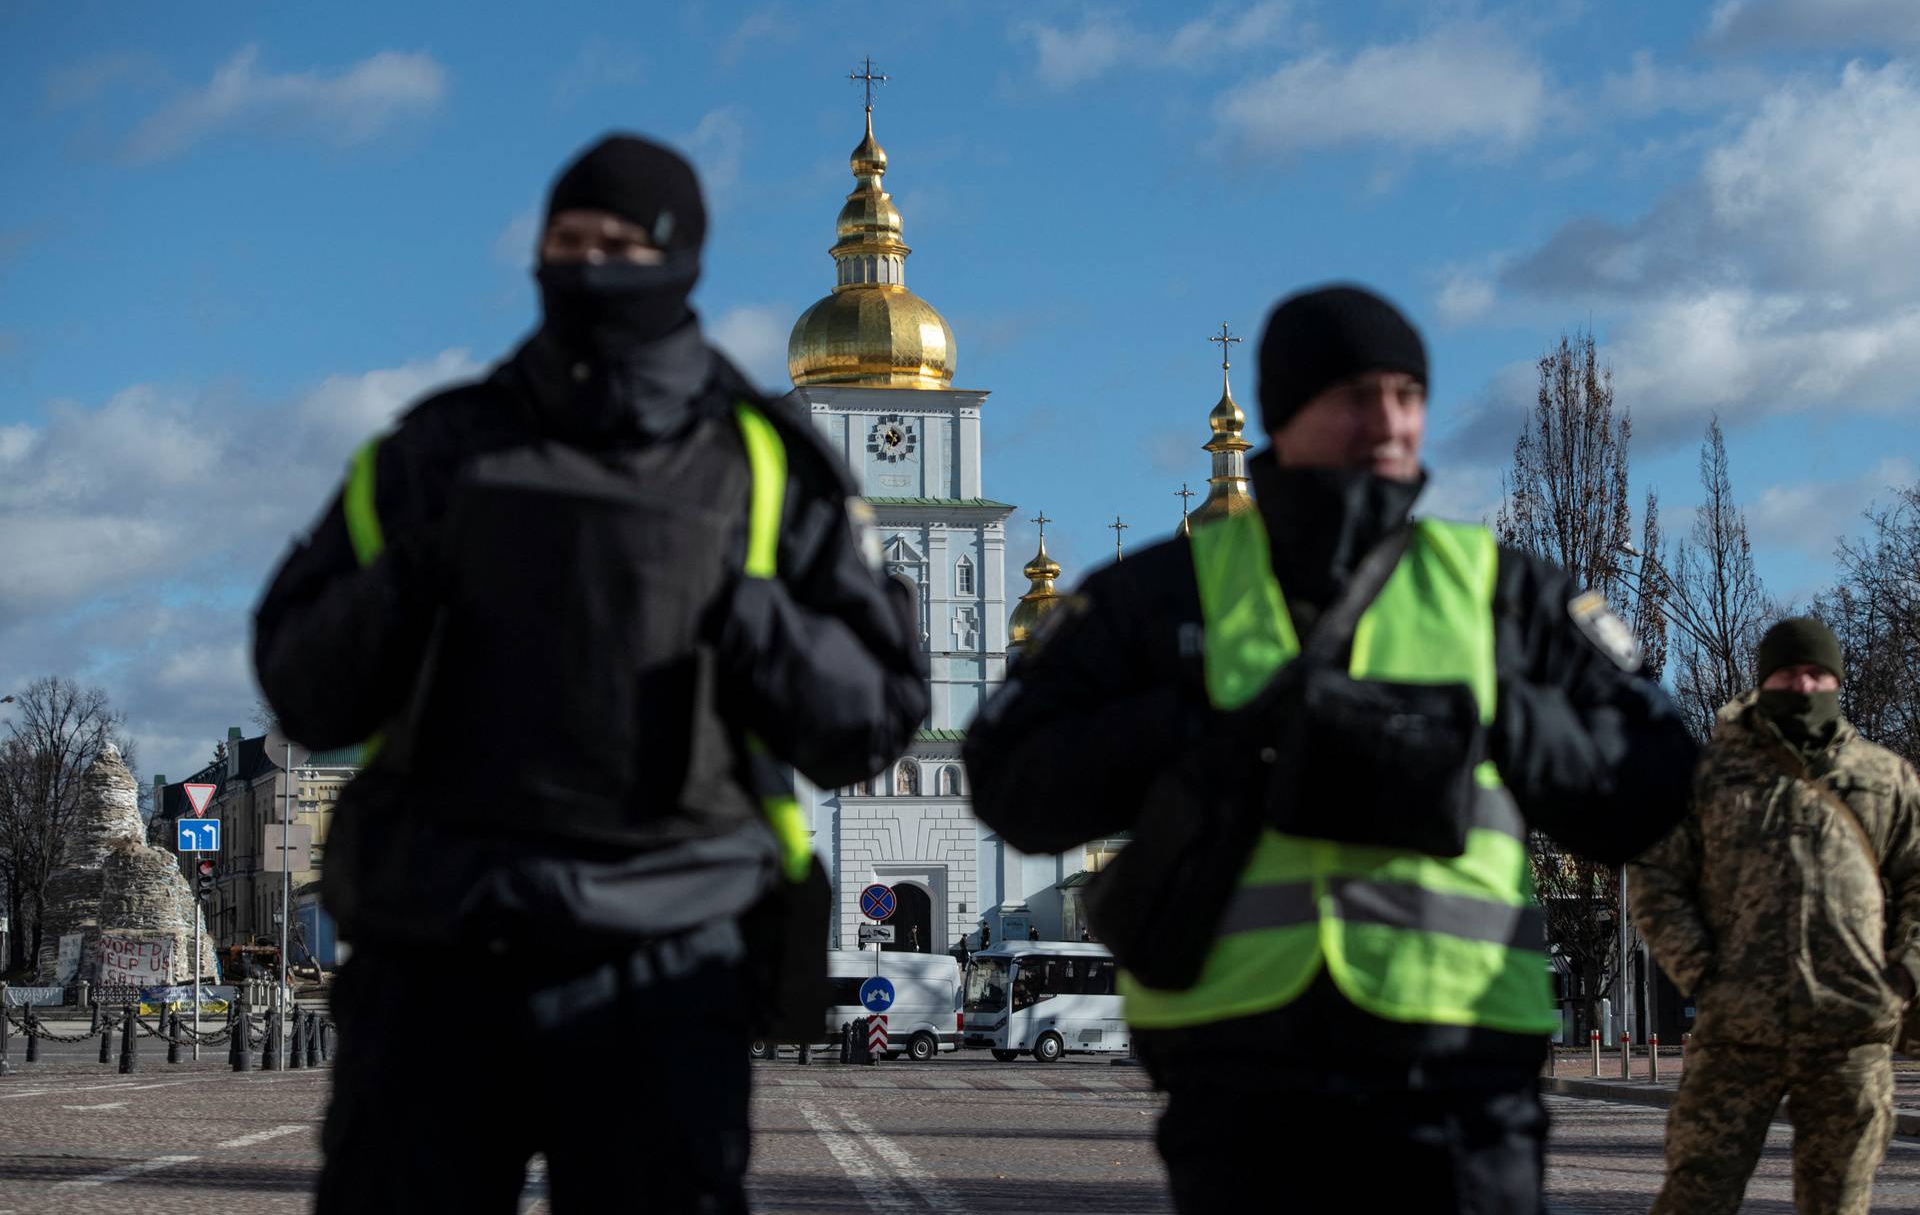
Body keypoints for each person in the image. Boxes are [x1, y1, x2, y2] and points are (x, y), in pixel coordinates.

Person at [254, 134, 926, 1213]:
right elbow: (302, 687)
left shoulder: (764, 470)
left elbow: (871, 718)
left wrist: (745, 616)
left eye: (621, 243)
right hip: (440, 951)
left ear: (683, 258)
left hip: (666, 956)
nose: (591, 266)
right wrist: (413, 580)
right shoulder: (436, 452)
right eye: (568, 242)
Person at [965, 284, 1698, 1213]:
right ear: (1284, 413)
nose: (1389, 418)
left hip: (1460, 1073)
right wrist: (1217, 729)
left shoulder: (1502, 597)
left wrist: (1483, 717)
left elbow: (1661, 780)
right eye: (1356, 393)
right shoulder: (1161, 598)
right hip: (1241, 1080)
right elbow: (1008, 778)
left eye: (1408, 393)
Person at [1629, 616, 1920, 1215]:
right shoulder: (1708, 774)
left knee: (1838, 1202)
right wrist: (1704, 976)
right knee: (1696, 1192)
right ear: (1764, 683)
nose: (1805, 686)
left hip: (1850, 1030)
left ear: (1835, 680)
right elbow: (1656, 879)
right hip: (1737, 1028)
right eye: (1789, 674)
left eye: (1817, 673)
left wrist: (1904, 976)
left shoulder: (1884, 777)